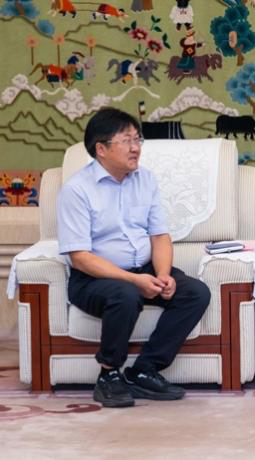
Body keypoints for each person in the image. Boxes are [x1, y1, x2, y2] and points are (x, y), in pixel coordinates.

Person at [57, 107, 210, 408]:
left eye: (137, 139)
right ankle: (108, 375)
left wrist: (162, 274)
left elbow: (159, 235)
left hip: (144, 269)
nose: (136, 147)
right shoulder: (76, 190)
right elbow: (80, 257)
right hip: (94, 279)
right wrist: (134, 281)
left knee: (195, 292)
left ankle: (144, 370)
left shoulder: (145, 179)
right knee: (125, 294)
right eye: (126, 141)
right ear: (101, 149)